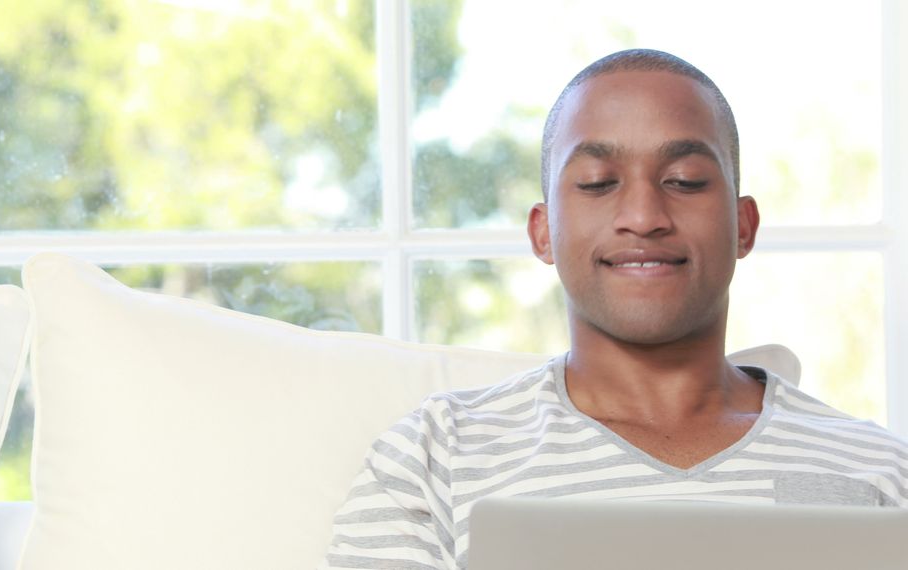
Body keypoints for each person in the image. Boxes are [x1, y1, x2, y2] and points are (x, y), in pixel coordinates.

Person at [320, 48, 908, 570]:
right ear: (544, 231)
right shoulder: (435, 458)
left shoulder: (880, 471)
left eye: (684, 180)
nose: (645, 215)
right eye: (600, 183)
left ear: (743, 226)